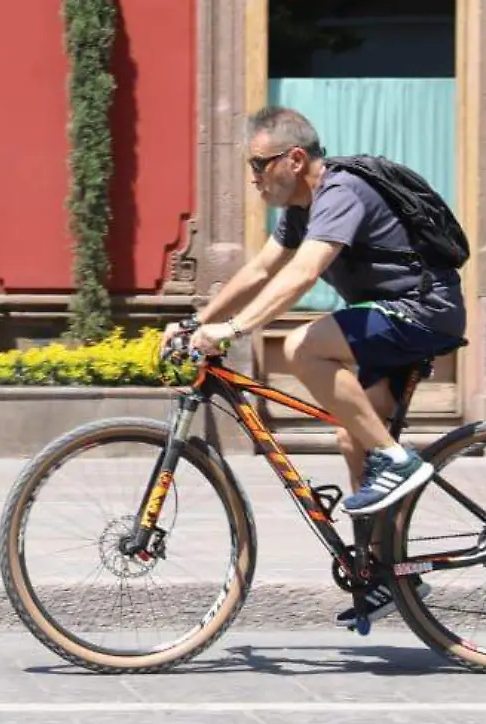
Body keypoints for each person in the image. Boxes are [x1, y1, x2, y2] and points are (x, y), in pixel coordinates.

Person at [169, 106, 466, 624]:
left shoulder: (341, 192)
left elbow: (304, 274)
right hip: (389, 319)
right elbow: (262, 269)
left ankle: (398, 463)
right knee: (354, 435)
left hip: (422, 312)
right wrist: (197, 322)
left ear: (294, 158)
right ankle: (382, 571)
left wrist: (235, 331)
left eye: (259, 165)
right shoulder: (304, 209)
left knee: (302, 347)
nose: (253, 178)